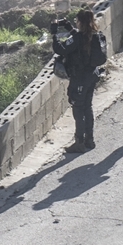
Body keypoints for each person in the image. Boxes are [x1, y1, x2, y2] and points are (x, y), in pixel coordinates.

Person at [52, 9, 107, 153]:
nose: (75, 23)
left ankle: (79, 142)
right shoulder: (95, 35)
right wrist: (69, 27)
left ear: (81, 22)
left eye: (76, 21)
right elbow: (78, 38)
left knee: (78, 110)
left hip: (79, 79)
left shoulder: (78, 38)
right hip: (92, 76)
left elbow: (60, 49)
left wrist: (54, 34)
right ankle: (90, 140)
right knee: (87, 108)